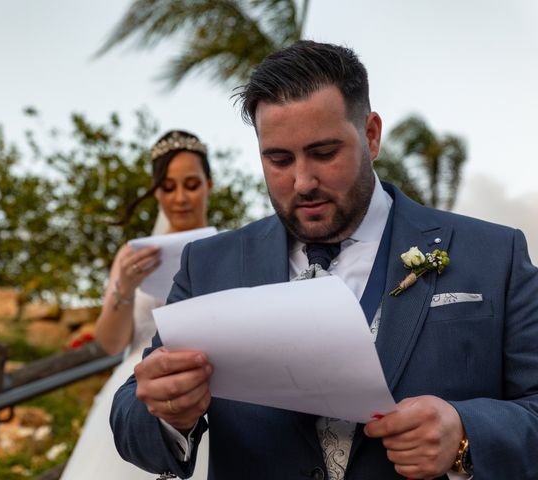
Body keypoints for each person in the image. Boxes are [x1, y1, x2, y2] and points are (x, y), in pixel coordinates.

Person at [111, 40, 538, 480]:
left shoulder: (495, 254)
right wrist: (164, 411)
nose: (302, 182)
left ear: (371, 135)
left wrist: (466, 436)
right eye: (278, 159)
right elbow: (130, 415)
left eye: (324, 153)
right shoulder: (207, 265)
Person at [61, 130, 212, 480]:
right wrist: (124, 288)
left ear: (209, 184)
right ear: (155, 190)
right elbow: (112, 343)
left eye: (191, 184)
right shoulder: (132, 255)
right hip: (136, 388)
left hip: (206, 389)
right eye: (168, 187)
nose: (180, 198)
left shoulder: (228, 248)